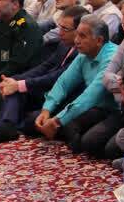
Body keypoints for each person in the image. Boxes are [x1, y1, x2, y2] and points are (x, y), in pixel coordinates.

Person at [0, 5, 87, 145]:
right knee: (13, 92)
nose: (60, 33)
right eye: (60, 27)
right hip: (45, 92)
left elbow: (56, 78)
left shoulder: (83, 51)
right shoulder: (64, 44)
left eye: (65, 29)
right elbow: (45, 67)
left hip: (64, 99)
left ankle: (14, 122)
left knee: (30, 122)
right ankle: (5, 128)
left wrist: (19, 84)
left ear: (80, 31)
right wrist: (16, 80)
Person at [25, 15, 118, 154]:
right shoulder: (84, 54)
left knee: (88, 142)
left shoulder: (111, 58)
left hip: (109, 110)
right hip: (88, 107)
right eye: (77, 35)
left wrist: (57, 121)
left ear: (99, 40)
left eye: (82, 36)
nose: (76, 40)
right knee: (32, 121)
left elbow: (90, 96)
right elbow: (64, 83)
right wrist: (47, 110)